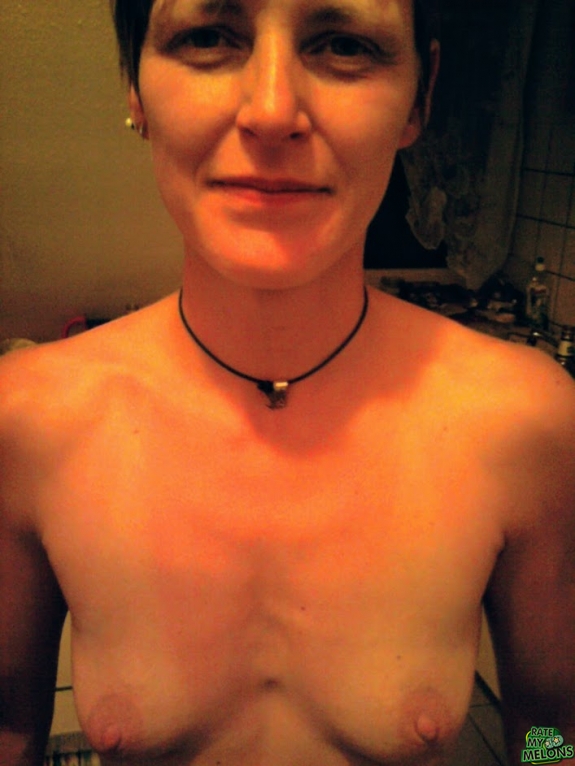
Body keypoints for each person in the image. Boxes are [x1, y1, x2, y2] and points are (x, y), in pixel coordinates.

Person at [1, 0, 574, 764]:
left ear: (419, 98)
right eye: (208, 37)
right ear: (133, 87)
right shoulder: (27, 423)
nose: (271, 111)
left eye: (343, 45)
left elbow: (550, 727)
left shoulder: (526, 422)